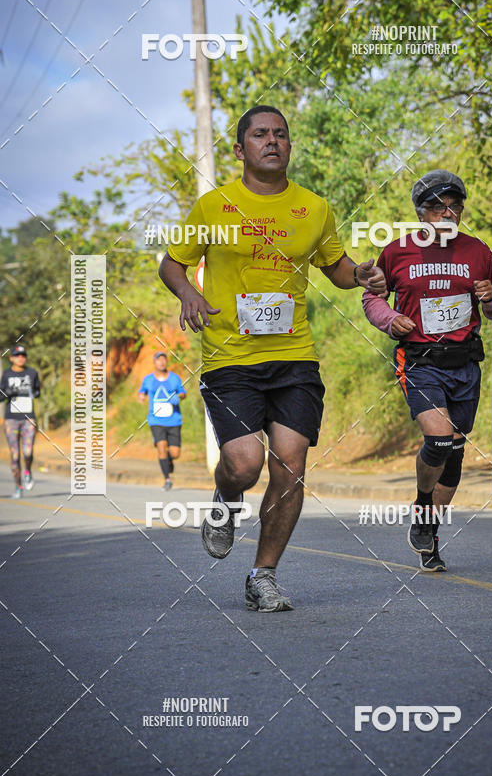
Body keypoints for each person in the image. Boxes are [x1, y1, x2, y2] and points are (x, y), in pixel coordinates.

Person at [159, 104, 387, 612]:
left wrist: (365, 275)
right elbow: (173, 263)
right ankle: (226, 499)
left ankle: (263, 575)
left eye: (280, 134)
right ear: (240, 150)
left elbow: (339, 269)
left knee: (291, 466)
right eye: (260, 134)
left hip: (294, 357)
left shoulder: (314, 208)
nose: (271, 141)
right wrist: (187, 294)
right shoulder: (214, 207)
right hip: (230, 358)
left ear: (289, 146)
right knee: (244, 465)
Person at [362, 170, 492, 572]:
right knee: (437, 441)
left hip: (465, 361)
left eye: (454, 206)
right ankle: (423, 505)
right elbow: (372, 298)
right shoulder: (397, 251)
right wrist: (389, 319)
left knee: (454, 455)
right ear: (421, 213)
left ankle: (428, 530)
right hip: (420, 359)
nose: (447, 213)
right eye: (437, 207)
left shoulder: (479, 252)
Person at [138, 351, 186, 490]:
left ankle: (168, 460)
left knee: (175, 453)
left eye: (164, 359)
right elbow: (142, 391)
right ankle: (167, 479)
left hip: (174, 420)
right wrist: (141, 396)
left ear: (166, 362)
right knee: (161, 448)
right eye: (159, 360)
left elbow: (183, 392)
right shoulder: (148, 379)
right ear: (154, 363)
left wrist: (179, 397)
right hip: (156, 420)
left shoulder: (174, 378)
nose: (161, 362)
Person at [1, 345, 41, 499]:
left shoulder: (32, 373)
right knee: (15, 455)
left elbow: (37, 391)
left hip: (28, 418)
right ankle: (18, 487)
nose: (20, 358)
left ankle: (28, 471)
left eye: (23, 355)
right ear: (11, 358)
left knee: (28, 451)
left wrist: (34, 393)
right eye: (17, 355)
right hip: (11, 418)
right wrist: (7, 393)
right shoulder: (7, 374)